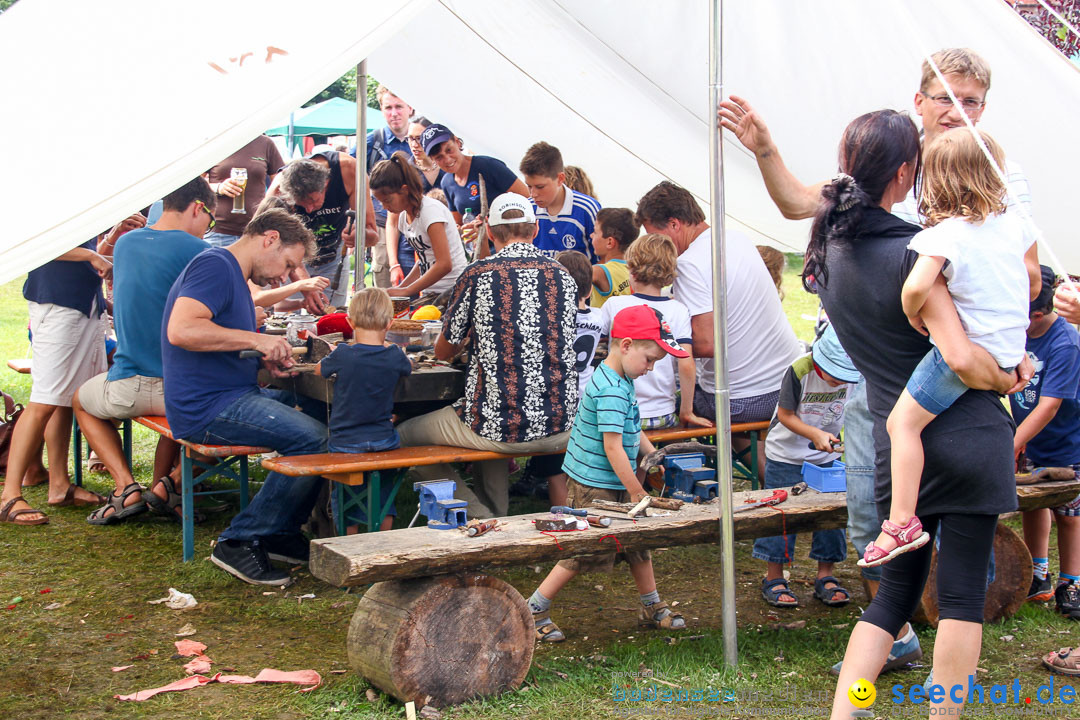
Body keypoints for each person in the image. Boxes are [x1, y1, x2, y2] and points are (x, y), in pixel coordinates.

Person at [717, 47, 1028, 676]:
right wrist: (764, 151)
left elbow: (1018, 271)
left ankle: (861, 689)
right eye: (948, 98)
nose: (958, 111)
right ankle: (918, 676)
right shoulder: (882, 170)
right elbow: (801, 203)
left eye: (972, 101)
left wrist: (991, 357)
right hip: (906, 390)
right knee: (882, 541)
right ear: (921, 103)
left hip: (942, 392)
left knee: (904, 569)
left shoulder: (990, 168)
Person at [799, 110, 1028, 720]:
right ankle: (942, 716)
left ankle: (848, 711)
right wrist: (1009, 374)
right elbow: (963, 358)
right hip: (968, 435)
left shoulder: (827, 253)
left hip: (894, 448)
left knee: (893, 599)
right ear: (906, 171)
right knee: (957, 599)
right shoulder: (917, 252)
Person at [864, 129, 1040, 568]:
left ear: (935, 181)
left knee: (902, 424)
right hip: (1007, 345)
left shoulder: (944, 235)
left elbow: (916, 285)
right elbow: (1025, 281)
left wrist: (912, 310)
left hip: (964, 352)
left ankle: (901, 520)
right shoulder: (1015, 225)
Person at [162, 208, 329, 585]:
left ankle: (281, 531)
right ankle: (240, 540)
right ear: (269, 238)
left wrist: (261, 361)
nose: (286, 276)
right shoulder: (216, 266)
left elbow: (218, 342)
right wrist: (257, 340)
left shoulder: (233, 274)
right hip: (207, 407)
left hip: (232, 393)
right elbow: (182, 329)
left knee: (324, 418)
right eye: (288, 263)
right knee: (312, 437)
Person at [396, 193, 578, 518]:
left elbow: (442, 351)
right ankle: (498, 520)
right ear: (535, 230)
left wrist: (469, 337)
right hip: (562, 423)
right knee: (487, 419)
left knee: (403, 436)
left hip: (499, 426)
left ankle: (479, 515)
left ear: (490, 233)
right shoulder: (562, 275)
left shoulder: (479, 273)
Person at [527, 304, 689, 643]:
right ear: (626, 345)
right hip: (594, 484)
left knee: (638, 545)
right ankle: (536, 607)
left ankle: (651, 605)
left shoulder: (618, 376)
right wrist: (636, 491)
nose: (650, 369)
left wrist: (653, 455)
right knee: (583, 550)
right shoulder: (614, 390)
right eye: (650, 360)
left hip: (612, 478)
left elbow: (632, 427)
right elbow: (613, 447)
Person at [74, 178, 215, 524]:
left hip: (127, 385)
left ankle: (127, 487)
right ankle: (165, 487)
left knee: (80, 400)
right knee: (194, 413)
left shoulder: (125, 245)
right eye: (210, 220)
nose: (209, 228)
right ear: (198, 208)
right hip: (177, 390)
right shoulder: (202, 253)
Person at [634, 181, 801, 469]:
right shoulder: (736, 239)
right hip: (785, 382)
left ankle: (664, 475)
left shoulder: (690, 263)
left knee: (661, 403)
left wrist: (652, 342)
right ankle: (774, 470)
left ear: (674, 224)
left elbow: (705, 344)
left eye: (654, 235)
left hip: (744, 398)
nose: (655, 245)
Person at [0, 237, 113, 525]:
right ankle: (9, 496)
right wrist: (91, 256)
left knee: (64, 399)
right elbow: (36, 243)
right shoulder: (52, 194)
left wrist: (103, 245)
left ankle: (60, 485)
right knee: (44, 400)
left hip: (83, 306)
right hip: (57, 306)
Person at [753, 326, 858, 609]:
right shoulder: (799, 370)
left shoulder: (855, 374)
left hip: (826, 456)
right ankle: (773, 577)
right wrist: (814, 434)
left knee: (831, 516)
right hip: (786, 454)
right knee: (780, 516)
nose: (839, 384)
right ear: (820, 363)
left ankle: (826, 575)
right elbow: (785, 415)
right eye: (835, 377)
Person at [1010, 266, 1080, 618]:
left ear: (1037, 313)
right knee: (1033, 505)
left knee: (1069, 516)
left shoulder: (1065, 342)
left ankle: (1072, 583)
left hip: (1069, 443)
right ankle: (1038, 575)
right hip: (1030, 439)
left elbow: (1051, 405)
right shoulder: (1019, 334)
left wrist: (1010, 444)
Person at [313, 287, 412, 532]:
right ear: (389, 324)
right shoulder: (394, 355)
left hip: (346, 441)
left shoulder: (344, 354)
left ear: (349, 322)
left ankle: (348, 540)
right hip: (384, 440)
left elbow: (318, 371)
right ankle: (383, 538)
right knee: (383, 495)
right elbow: (409, 366)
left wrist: (333, 354)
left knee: (346, 494)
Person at [598, 234, 709, 431]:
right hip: (662, 413)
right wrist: (686, 410)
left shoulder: (614, 306)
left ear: (631, 268)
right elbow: (686, 364)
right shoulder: (679, 310)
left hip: (620, 411)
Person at [527, 250, 604, 507]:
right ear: (589, 288)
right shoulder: (599, 318)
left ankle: (562, 512)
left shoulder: (553, 320)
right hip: (586, 395)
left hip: (559, 401)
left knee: (556, 470)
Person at [269, 152, 377, 310]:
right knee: (289, 318)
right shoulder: (279, 190)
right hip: (291, 258)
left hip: (332, 256)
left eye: (313, 200)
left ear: (326, 183)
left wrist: (359, 235)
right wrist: (305, 285)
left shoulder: (350, 171)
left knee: (331, 314)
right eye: (302, 204)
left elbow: (373, 236)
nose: (309, 209)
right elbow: (282, 246)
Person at [422, 123, 529, 258]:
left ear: (457, 141)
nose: (447, 159)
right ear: (433, 160)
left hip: (510, 247)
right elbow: (459, 224)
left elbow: (527, 198)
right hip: (480, 254)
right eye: (439, 157)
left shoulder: (488, 166)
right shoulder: (447, 182)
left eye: (449, 150)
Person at [369, 152, 468, 299]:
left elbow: (444, 264)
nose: (384, 207)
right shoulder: (403, 218)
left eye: (388, 200)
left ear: (404, 190)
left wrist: (407, 291)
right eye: (381, 202)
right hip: (432, 292)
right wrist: (401, 288)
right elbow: (424, 258)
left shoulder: (430, 212)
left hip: (453, 291)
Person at [357, 86, 414, 288]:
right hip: (382, 224)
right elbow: (353, 180)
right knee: (386, 285)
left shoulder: (420, 141)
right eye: (388, 107)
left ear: (410, 108)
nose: (394, 113)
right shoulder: (371, 142)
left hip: (416, 224)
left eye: (399, 107)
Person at [519, 141, 601, 261]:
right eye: (529, 186)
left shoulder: (587, 209)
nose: (533, 194)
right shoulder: (527, 208)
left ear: (560, 179)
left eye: (540, 187)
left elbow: (605, 260)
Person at [393, 116, 447, 285]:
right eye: (410, 138)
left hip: (444, 243)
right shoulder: (404, 170)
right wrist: (393, 263)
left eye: (419, 138)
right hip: (410, 246)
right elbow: (391, 221)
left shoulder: (447, 167)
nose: (415, 144)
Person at [204, 134, 285, 247]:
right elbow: (194, 182)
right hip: (219, 231)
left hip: (256, 231)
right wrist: (218, 187)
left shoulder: (265, 143)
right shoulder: (216, 142)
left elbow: (281, 182)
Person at [589, 208, 637, 309]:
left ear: (610, 242)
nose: (591, 235)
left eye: (595, 232)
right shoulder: (638, 267)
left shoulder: (599, 271)